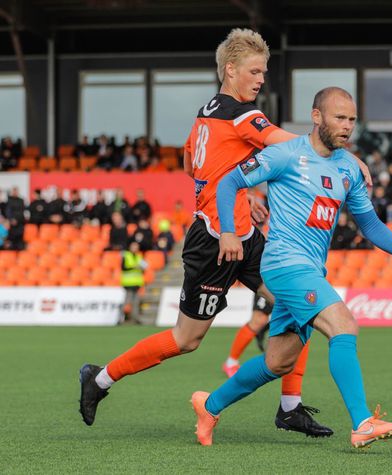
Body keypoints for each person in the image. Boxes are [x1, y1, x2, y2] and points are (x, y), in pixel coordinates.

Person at [78, 28, 371, 435]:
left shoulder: (206, 112)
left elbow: (190, 164)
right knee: (186, 339)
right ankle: (100, 378)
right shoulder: (240, 114)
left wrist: (244, 190)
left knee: (301, 303)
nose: (260, 79)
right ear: (230, 70)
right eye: (254, 71)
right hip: (213, 243)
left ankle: (290, 406)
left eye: (264, 72)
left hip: (245, 237)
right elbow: (293, 146)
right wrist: (346, 156)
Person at [191, 87, 392, 448]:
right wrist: (228, 231)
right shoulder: (285, 155)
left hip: (310, 270)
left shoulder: (347, 168)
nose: (347, 126)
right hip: (283, 264)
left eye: (352, 119)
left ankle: (209, 407)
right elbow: (229, 181)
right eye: (340, 117)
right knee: (344, 325)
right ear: (317, 116)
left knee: (278, 361)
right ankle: (362, 423)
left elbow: (369, 225)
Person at [120, 241, 147, 322]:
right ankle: (121, 318)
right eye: (133, 246)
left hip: (137, 283)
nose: (135, 248)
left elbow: (143, 269)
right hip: (128, 283)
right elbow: (123, 268)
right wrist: (135, 267)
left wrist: (141, 269)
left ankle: (135, 318)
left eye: (136, 247)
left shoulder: (139, 256)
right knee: (127, 301)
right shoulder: (126, 255)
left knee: (136, 302)